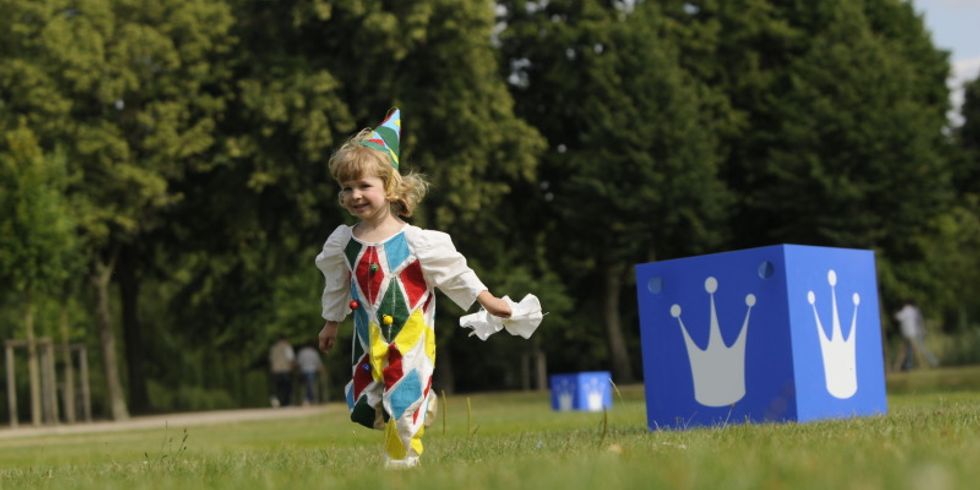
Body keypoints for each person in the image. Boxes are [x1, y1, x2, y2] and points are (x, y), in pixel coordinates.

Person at [315, 108, 539, 469]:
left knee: (401, 401)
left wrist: (489, 301)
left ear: (388, 188)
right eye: (346, 188)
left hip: (409, 336)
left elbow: (455, 274)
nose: (354, 195)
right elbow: (336, 285)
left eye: (363, 186)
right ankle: (423, 404)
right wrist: (330, 323)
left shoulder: (418, 242)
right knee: (362, 405)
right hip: (366, 338)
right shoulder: (344, 242)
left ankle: (402, 463)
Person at [894, 300, 939, 371]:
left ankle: (930, 363)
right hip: (915, 333)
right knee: (910, 350)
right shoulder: (915, 311)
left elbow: (898, 317)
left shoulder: (907, 310)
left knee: (918, 349)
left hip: (911, 333)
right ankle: (909, 366)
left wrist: (896, 312)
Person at [269, 336, 296, 407]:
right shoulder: (287, 347)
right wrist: (292, 369)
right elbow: (290, 359)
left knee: (278, 387)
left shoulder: (273, 348)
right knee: (287, 387)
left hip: (276, 370)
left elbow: (272, 360)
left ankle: (277, 401)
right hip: (285, 370)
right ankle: (286, 403)